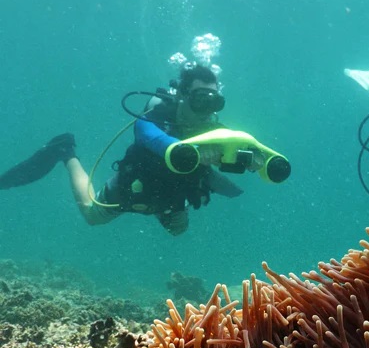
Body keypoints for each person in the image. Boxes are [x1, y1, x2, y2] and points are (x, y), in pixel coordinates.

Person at [0, 64, 262, 235]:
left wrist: (256, 159)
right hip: (137, 185)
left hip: (173, 193)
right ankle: (66, 152)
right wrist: (191, 151)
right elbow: (147, 134)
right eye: (200, 99)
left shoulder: (215, 129)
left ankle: (163, 211)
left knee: (178, 231)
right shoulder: (157, 116)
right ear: (182, 95)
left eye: (214, 101)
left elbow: (242, 149)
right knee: (92, 215)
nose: (207, 109)